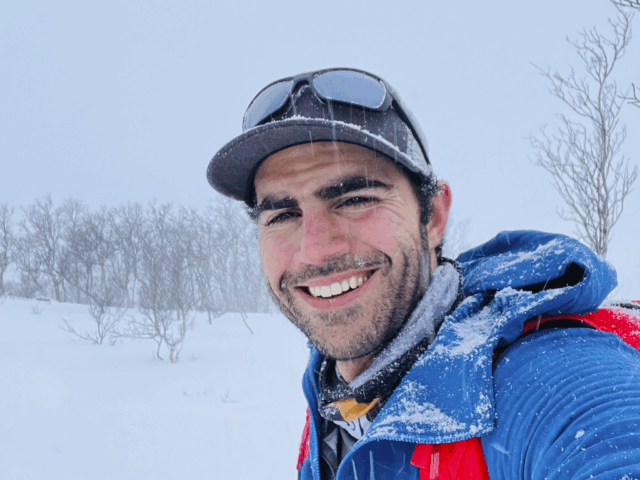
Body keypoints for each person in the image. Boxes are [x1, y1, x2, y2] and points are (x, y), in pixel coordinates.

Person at [206, 68, 640, 479]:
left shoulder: (540, 374)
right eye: (282, 215)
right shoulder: (334, 393)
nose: (315, 250)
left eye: (355, 199)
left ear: (433, 216)